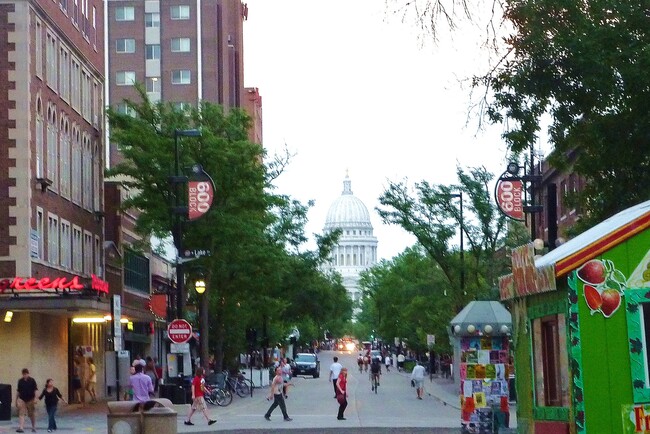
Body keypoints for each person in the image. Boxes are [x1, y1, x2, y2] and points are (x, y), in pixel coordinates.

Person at [16, 368, 38, 433]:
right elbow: (18, 391)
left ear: (28, 374)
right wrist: (16, 400)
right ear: (22, 374)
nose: (25, 375)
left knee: (31, 414)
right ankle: (21, 428)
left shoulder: (32, 380)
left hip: (30, 399)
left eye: (26, 374)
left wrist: (36, 398)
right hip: (22, 399)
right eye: (23, 374)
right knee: (21, 413)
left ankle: (33, 427)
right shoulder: (20, 381)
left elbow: (35, 390)